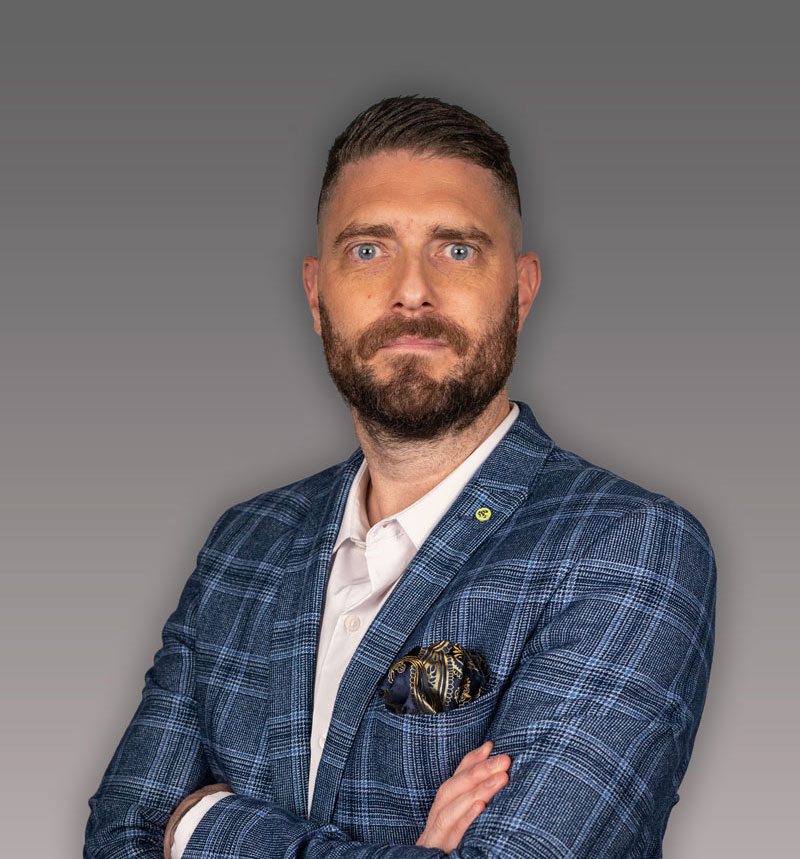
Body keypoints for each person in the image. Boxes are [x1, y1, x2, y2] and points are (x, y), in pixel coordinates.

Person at [84, 95, 716, 859]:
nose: (412, 290)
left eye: (458, 250)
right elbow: (117, 835)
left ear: (521, 290)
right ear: (316, 295)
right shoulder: (244, 543)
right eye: (368, 250)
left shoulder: (630, 546)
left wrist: (197, 824)